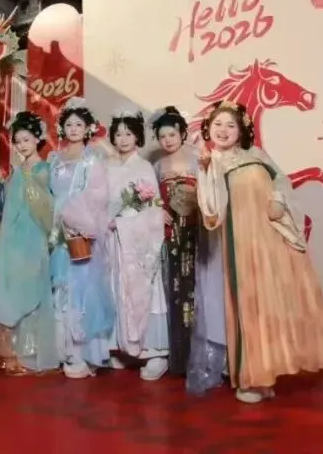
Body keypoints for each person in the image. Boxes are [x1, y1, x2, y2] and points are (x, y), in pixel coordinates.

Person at [197, 100, 323, 413]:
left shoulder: (256, 155)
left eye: (231, 125)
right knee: (255, 309)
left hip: (278, 237)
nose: (223, 130)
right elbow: (211, 212)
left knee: (303, 302)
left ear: (242, 130)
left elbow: (281, 181)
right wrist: (207, 171)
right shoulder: (212, 163)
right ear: (208, 129)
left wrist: (278, 198)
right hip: (244, 249)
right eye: (217, 124)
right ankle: (260, 377)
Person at [152, 105, 226, 394]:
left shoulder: (198, 157)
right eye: (162, 136)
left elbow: (211, 192)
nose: (167, 140)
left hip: (197, 232)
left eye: (172, 134)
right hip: (171, 235)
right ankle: (179, 356)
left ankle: (206, 358)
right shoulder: (158, 166)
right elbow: (152, 198)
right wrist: (157, 209)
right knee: (174, 289)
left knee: (199, 289)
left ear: (183, 133)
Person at [0, 111, 59, 375]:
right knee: (9, 288)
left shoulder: (43, 169)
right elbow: (7, 205)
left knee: (30, 288)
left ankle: (29, 354)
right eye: (18, 141)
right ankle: (9, 353)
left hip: (32, 238)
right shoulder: (17, 170)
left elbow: (46, 207)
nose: (22, 145)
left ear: (38, 139)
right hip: (10, 238)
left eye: (27, 139)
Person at [48, 97, 115, 378]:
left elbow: (98, 196)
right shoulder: (54, 159)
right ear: (62, 128)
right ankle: (61, 351)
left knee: (82, 288)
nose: (74, 129)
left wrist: (77, 220)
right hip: (56, 230)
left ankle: (82, 353)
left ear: (88, 128)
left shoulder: (92, 159)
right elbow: (49, 194)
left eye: (79, 124)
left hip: (80, 229)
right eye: (69, 124)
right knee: (60, 287)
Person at [106, 109, 170, 380]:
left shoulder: (143, 167)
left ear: (137, 137)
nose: (123, 139)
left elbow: (153, 207)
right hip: (113, 239)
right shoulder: (106, 166)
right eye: (118, 134)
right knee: (115, 289)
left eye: (128, 134)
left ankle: (155, 352)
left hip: (137, 241)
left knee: (144, 291)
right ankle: (122, 348)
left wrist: (124, 221)